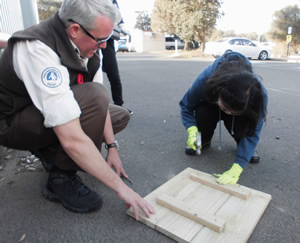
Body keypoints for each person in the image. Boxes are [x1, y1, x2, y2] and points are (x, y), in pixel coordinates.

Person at [0, 0, 154, 220]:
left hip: (40, 114)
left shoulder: (88, 47)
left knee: (118, 115)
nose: (103, 47)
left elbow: (99, 106)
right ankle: (60, 177)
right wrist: (121, 188)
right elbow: (74, 133)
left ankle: (51, 153)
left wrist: (112, 148)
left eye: (107, 40)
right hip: (10, 122)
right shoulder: (38, 47)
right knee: (94, 98)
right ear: (74, 30)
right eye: (101, 40)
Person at [179, 51, 268, 185]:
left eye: (234, 112)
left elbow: (254, 130)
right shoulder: (206, 79)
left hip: (238, 108)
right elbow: (186, 106)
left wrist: (238, 167)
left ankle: (244, 147)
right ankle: (202, 140)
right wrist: (192, 130)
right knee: (203, 113)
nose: (229, 114)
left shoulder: (257, 94)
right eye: (226, 109)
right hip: (211, 104)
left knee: (245, 124)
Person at [101, 0, 133, 115]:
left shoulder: (112, 1)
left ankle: (119, 105)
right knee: (90, 75)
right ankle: (91, 107)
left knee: (114, 75)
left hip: (108, 40)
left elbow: (118, 16)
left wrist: (123, 26)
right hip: (90, 38)